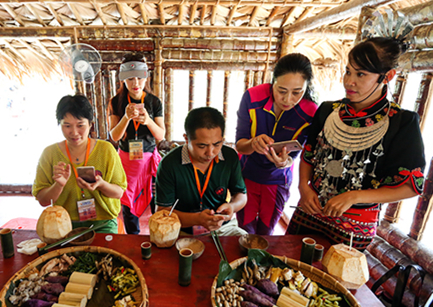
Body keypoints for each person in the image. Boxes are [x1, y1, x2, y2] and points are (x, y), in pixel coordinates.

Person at [286, 37, 426, 250]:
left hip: (354, 227)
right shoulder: (327, 110)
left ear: (387, 76)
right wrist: (303, 188)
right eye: (348, 71)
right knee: (287, 270)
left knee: (333, 281)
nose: (349, 81)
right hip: (309, 212)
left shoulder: (402, 122)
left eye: (361, 74)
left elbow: (410, 186)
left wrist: (355, 196)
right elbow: (308, 154)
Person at [235, 53, 318, 235]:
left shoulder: (310, 112)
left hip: (278, 180)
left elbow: (297, 155)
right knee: (245, 231)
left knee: (266, 232)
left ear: (306, 87)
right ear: (273, 82)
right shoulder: (253, 97)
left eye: (297, 92)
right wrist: (253, 143)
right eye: (281, 90)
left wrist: (284, 162)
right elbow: (240, 146)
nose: (288, 99)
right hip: (248, 175)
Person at [33, 95, 127, 233]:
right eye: (67, 126)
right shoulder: (49, 154)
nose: (74, 132)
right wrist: (58, 185)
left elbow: (119, 193)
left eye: (80, 125)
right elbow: (43, 200)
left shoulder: (106, 150)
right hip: (63, 223)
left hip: (103, 222)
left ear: (90, 123)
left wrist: (101, 185)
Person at [155, 107, 248, 236]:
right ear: (186, 139)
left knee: (248, 247)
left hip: (222, 227)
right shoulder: (169, 164)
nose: (210, 153)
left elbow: (241, 195)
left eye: (216, 144)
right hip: (181, 229)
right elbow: (162, 212)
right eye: (202, 146)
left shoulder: (229, 156)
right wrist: (198, 219)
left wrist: (232, 206)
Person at [108, 52, 165, 234]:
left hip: (149, 160)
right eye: (130, 79)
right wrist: (126, 117)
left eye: (139, 78)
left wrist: (148, 120)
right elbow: (114, 136)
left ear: (145, 77)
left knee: (156, 199)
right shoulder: (116, 102)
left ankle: (158, 234)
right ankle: (132, 237)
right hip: (126, 161)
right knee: (127, 199)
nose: (136, 83)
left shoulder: (154, 101)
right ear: (123, 79)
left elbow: (161, 135)